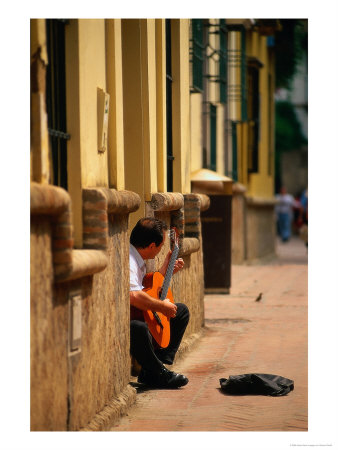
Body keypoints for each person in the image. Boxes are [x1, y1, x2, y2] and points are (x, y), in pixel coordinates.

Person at [129, 217, 190, 389]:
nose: (161, 249)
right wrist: (162, 306)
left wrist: (167, 268)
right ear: (151, 246)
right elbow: (133, 296)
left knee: (181, 311)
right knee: (137, 329)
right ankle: (159, 373)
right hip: (133, 319)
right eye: (161, 246)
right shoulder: (130, 261)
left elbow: (149, 285)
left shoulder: (138, 258)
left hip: (142, 313)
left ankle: (153, 368)